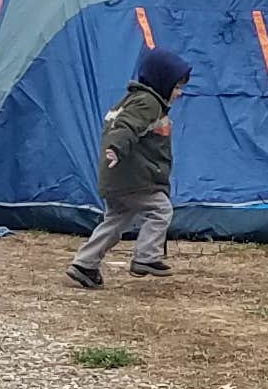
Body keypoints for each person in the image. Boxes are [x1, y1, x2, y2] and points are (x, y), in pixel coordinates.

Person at [71, 46, 190, 288]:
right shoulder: (148, 103)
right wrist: (115, 148)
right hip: (134, 178)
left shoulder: (133, 99)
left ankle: (85, 263)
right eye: (177, 87)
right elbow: (124, 127)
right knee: (160, 210)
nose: (179, 93)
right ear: (162, 82)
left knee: (115, 221)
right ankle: (146, 257)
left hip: (115, 177)